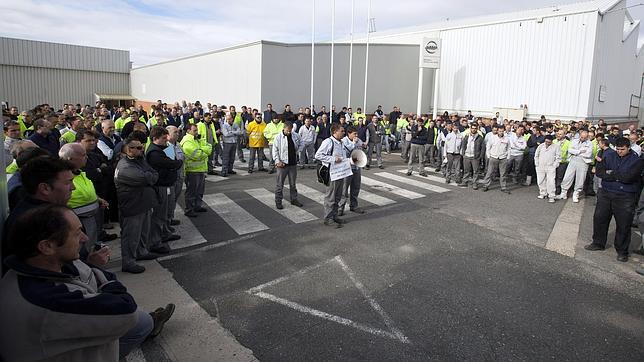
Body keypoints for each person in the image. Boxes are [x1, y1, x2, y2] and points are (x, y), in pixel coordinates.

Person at [0, 205, 175, 361]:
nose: (84, 238)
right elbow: (125, 310)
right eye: (76, 233)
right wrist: (105, 282)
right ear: (46, 247)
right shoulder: (44, 299)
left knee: (142, 321)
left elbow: (89, 273)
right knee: (138, 321)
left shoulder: (36, 268)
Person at [585, 137, 644, 262]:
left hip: (625, 196)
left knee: (623, 224)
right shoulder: (610, 156)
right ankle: (598, 243)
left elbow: (629, 178)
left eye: (622, 149)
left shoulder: (636, 161)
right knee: (600, 218)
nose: (619, 151)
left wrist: (611, 174)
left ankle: (622, 251)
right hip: (606, 193)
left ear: (628, 148)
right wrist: (616, 175)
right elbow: (600, 172)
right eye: (617, 149)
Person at [115, 135, 161, 273]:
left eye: (140, 147)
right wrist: (150, 176)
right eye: (135, 148)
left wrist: (150, 175)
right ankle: (128, 262)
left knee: (142, 233)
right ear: (127, 149)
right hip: (133, 206)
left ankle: (141, 252)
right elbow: (146, 178)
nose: (139, 150)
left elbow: (153, 173)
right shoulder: (125, 166)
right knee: (131, 236)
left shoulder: (139, 161)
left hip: (143, 204)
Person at [146, 126, 183, 253]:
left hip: (168, 184)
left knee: (167, 211)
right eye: (163, 138)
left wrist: (175, 163)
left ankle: (165, 233)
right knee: (159, 215)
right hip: (161, 186)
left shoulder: (163, 148)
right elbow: (172, 163)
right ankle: (155, 242)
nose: (166, 140)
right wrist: (176, 164)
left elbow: (173, 160)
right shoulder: (154, 152)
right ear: (155, 138)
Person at [315, 123, 348, 228]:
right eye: (342, 131)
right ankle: (328, 218)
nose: (344, 133)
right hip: (331, 173)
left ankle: (334, 216)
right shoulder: (328, 142)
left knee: (338, 196)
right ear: (335, 132)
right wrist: (333, 159)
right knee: (330, 197)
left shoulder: (341, 142)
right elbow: (318, 155)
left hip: (340, 172)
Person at [180, 123, 212, 217]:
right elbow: (197, 155)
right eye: (194, 130)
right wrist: (205, 152)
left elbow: (209, 147)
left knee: (199, 191)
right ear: (188, 131)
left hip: (200, 169)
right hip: (192, 171)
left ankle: (197, 206)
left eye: (197, 130)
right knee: (191, 192)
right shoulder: (187, 141)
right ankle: (189, 210)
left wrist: (203, 150)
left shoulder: (196, 139)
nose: (197, 132)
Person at [272, 121, 303, 209]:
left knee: (293, 184)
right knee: (279, 184)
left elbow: (302, 143)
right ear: (284, 128)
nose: (289, 132)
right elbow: (275, 150)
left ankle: (294, 199)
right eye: (287, 130)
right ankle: (278, 201)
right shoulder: (278, 137)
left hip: (293, 163)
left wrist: (298, 151)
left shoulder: (295, 135)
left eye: (290, 130)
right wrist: (277, 161)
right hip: (283, 164)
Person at [556, 130, 593, 203]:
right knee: (568, 176)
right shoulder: (574, 141)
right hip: (573, 160)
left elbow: (588, 154)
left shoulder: (590, 143)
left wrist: (575, 152)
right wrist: (579, 151)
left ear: (587, 137)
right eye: (581, 137)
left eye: (584, 137)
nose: (582, 138)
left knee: (580, 178)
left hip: (583, 162)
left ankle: (576, 194)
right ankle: (563, 193)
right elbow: (570, 150)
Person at [339, 126, 366, 216]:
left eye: (357, 134)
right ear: (349, 134)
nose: (356, 136)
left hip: (356, 167)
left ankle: (354, 206)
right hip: (347, 168)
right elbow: (347, 151)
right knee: (344, 189)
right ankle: (340, 208)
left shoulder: (358, 140)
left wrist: (364, 146)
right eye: (354, 134)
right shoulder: (343, 141)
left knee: (355, 187)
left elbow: (361, 150)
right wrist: (354, 143)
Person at [481, 125, 511, 193]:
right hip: (493, 157)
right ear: (497, 131)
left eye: (502, 131)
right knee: (489, 172)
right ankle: (486, 185)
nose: (501, 132)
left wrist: (508, 157)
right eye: (500, 131)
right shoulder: (492, 138)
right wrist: (488, 156)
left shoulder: (507, 139)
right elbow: (488, 147)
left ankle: (503, 187)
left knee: (503, 174)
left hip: (503, 158)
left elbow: (509, 148)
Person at [166, 125, 184, 226]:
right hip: (172, 179)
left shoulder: (178, 145)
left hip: (180, 176)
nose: (178, 134)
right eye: (175, 132)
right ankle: (167, 221)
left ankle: (170, 217)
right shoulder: (166, 146)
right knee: (169, 201)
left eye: (178, 132)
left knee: (174, 199)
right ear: (168, 135)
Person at [534, 134, 561, 203]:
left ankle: (551, 196)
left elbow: (558, 158)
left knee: (551, 181)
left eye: (549, 142)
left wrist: (555, 165)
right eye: (546, 142)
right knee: (540, 180)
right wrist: (537, 163)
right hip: (540, 165)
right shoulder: (541, 146)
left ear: (552, 141)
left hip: (550, 166)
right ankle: (543, 193)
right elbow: (536, 155)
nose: (547, 143)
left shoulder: (556, 147)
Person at [458, 123, 483, 189]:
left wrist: (480, 156)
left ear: (477, 129)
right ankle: (465, 182)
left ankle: (475, 183)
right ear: (470, 129)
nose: (473, 130)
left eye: (475, 128)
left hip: (475, 157)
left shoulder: (480, 138)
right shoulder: (467, 136)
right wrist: (463, 154)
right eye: (472, 128)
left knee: (475, 171)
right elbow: (463, 145)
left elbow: (482, 148)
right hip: (467, 156)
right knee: (466, 170)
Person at [220, 112, 243, 177]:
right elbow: (226, 134)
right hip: (227, 143)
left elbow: (239, 132)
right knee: (226, 158)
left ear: (232, 119)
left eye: (230, 119)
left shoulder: (235, 124)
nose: (229, 120)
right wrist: (235, 133)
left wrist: (232, 132)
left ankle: (230, 169)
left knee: (232, 157)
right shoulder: (224, 125)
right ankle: (224, 171)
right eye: (228, 119)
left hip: (234, 142)